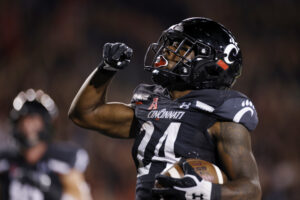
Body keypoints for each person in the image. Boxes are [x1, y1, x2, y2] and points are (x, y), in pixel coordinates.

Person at [68, 17, 261, 200]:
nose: (169, 51)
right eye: (170, 44)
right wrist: (106, 69)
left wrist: (205, 192)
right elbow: (85, 114)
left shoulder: (221, 110)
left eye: (183, 48)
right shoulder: (153, 103)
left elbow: (251, 188)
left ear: (212, 64)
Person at [0, 89, 92, 200]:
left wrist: (48, 189)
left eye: (34, 120)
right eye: (23, 120)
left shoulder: (63, 159)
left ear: (46, 124)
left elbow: (82, 198)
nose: (27, 127)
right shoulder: (5, 161)